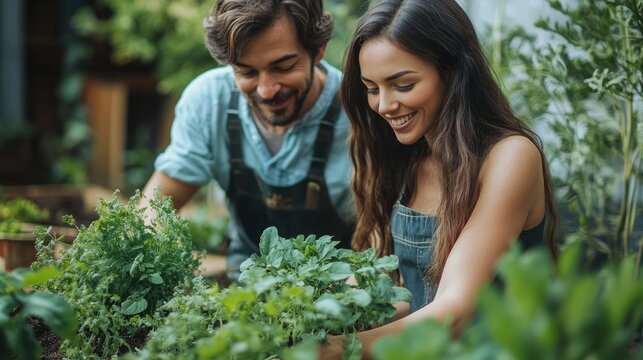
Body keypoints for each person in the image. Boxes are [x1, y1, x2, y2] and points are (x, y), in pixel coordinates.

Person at [324, 0, 558, 357]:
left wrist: (330, 349)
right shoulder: (403, 158)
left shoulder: (509, 157)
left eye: (402, 85)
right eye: (372, 88)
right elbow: (403, 297)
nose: (384, 105)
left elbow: (455, 312)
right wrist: (315, 309)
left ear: (452, 72)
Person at [141, 0, 355, 282]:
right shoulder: (210, 101)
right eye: (247, 72)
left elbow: (379, 243)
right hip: (246, 282)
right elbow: (153, 212)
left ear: (317, 51)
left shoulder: (358, 114)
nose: (266, 90)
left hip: (339, 293)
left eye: (283, 67)